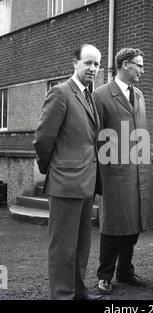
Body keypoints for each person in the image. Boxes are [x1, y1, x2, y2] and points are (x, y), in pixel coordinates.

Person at [33, 44, 103, 300]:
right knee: (62, 248)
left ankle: (78, 291)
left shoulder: (88, 96)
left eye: (97, 64)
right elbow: (42, 139)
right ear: (75, 63)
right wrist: (52, 169)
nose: (93, 69)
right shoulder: (60, 93)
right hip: (65, 183)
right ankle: (62, 295)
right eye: (88, 63)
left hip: (86, 183)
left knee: (81, 245)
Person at [93, 48, 153, 294]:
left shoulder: (138, 94)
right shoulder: (101, 95)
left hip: (138, 170)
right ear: (125, 65)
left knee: (133, 223)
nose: (142, 69)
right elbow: (96, 136)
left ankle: (125, 271)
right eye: (139, 65)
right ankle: (104, 275)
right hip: (113, 172)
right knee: (112, 226)